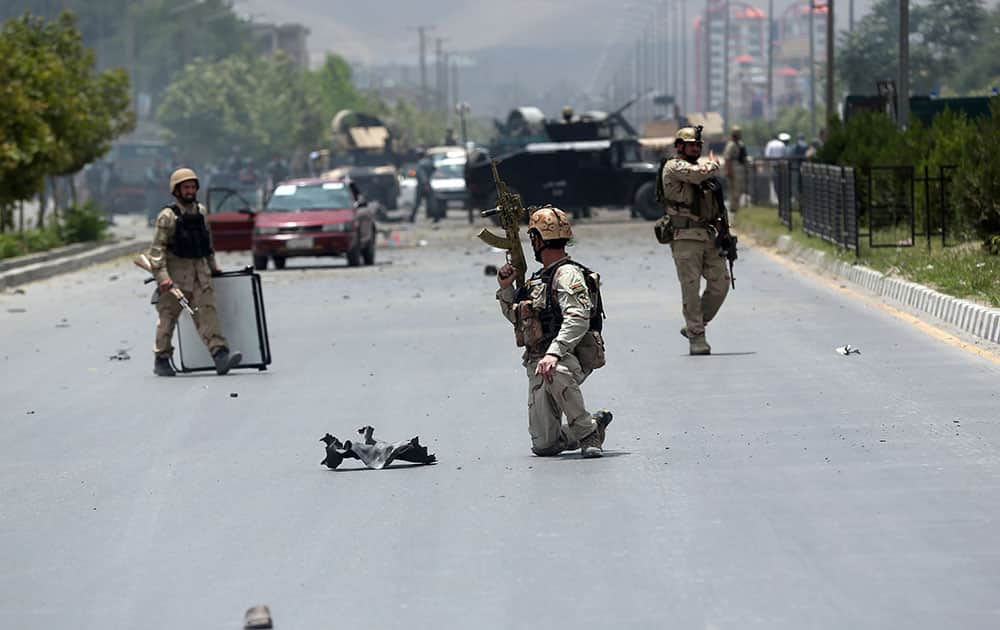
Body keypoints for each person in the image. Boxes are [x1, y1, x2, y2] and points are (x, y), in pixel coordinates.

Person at [495, 206, 613, 458]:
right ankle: (593, 423)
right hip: (537, 362)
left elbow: (578, 318)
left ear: (537, 240)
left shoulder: (568, 274)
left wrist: (555, 353)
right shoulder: (536, 280)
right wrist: (506, 289)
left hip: (568, 358)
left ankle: (588, 433)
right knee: (544, 446)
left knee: (555, 372)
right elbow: (517, 319)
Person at [147, 168, 242, 377]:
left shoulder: (201, 212)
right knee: (168, 318)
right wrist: (162, 278)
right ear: (177, 190)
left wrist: (213, 266)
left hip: (201, 276)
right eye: (185, 187)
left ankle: (220, 356)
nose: (190, 191)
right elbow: (156, 252)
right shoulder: (167, 216)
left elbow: (206, 243)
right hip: (176, 280)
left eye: (192, 187)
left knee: (208, 315)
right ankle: (161, 358)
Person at [659, 126, 731, 355]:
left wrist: (725, 231)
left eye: (698, 145)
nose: (695, 148)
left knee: (721, 283)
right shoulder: (673, 167)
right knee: (690, 288)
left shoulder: (703, 174)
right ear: (679, 146)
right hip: (685, 237)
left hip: (708, 235)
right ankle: (697, 337)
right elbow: (696, 174)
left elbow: (715, 205)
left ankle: (694, 324)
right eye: (691, 145)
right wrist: (713, 164)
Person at [722, 125, 748, 216]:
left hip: (739, 168)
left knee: (739, 189)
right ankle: (733, 209)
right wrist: (729, 171)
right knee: (733, 190)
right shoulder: (731, 145)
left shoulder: (740, 144)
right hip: (733, 167)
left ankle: (736, 209)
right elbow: (727, 159)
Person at [410, 151, 437, 222]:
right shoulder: (429, 162)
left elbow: (422, 174)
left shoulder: (420, 164)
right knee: (432, 202)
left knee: (417, 202)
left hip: (422, 185)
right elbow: (434, 169)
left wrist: (425, 184)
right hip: (428, 183)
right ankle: (436, 216)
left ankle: (412, 217)